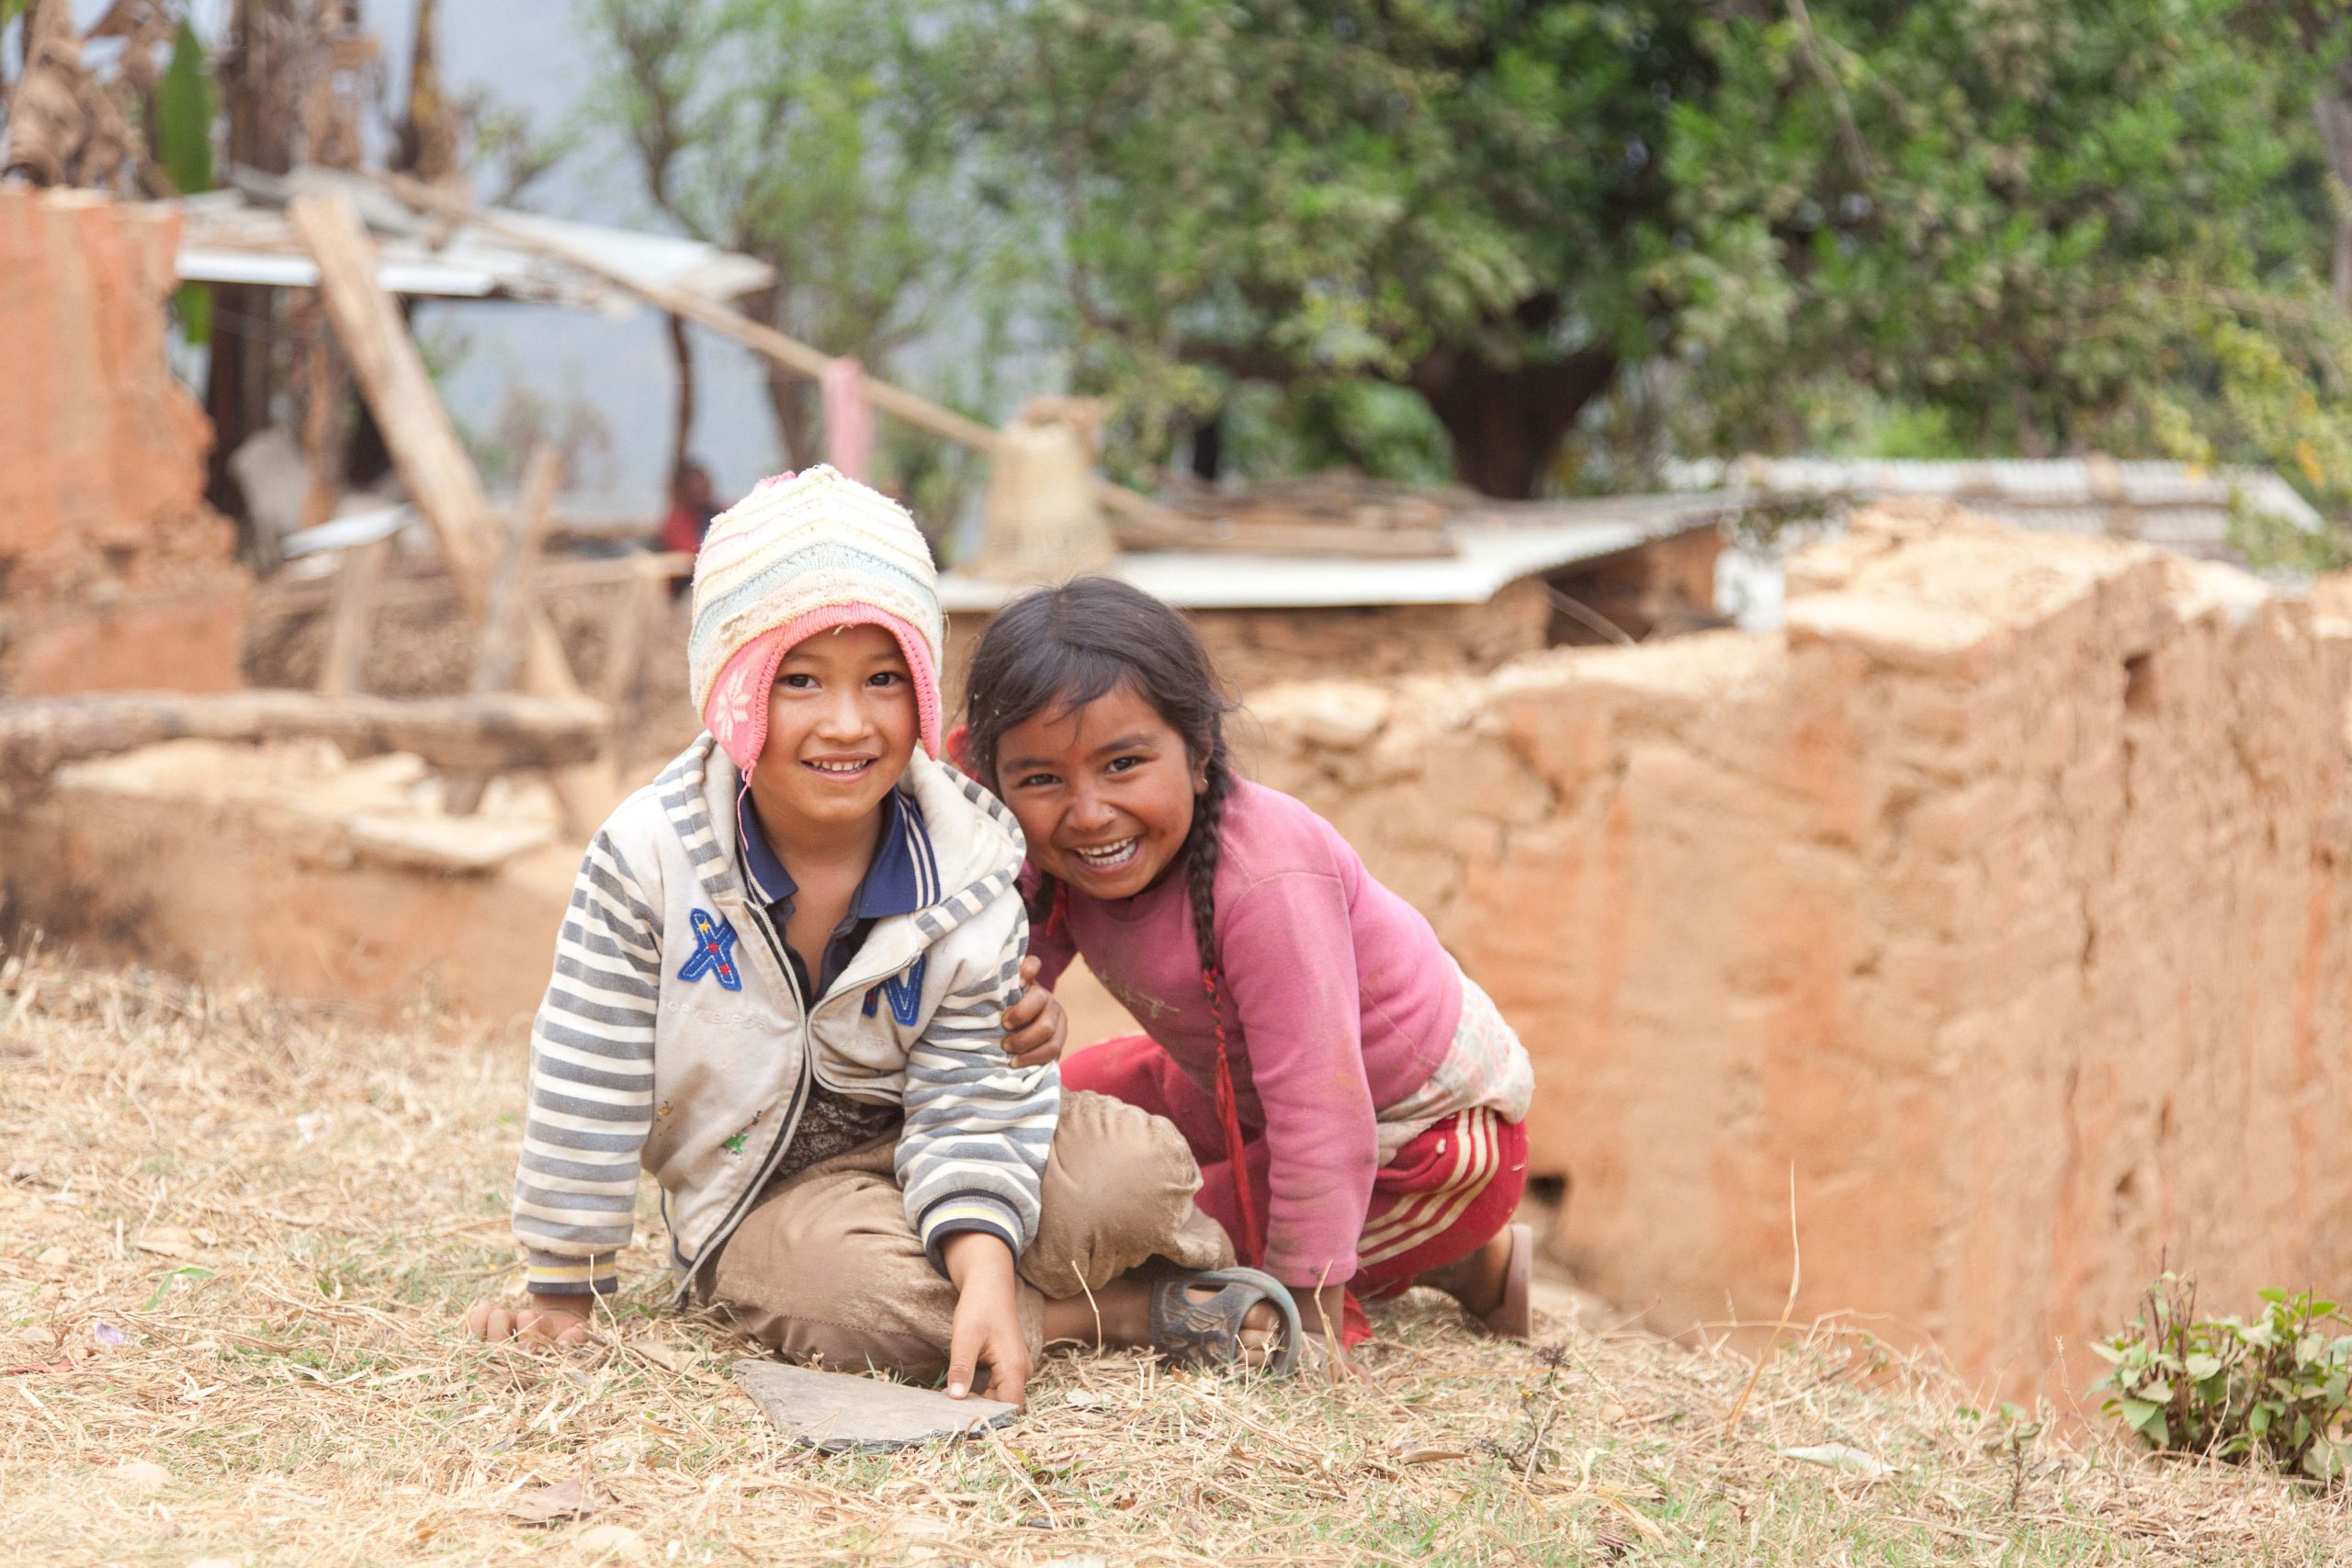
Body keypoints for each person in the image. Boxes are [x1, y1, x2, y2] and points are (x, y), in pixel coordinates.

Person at [467, 468, 1301, 1401]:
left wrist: (983, 1262)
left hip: (942, 1152)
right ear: (730, 688)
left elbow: (971, 1090)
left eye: (883, 678)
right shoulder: (650, 857)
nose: (847, 723)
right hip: (772, 1198)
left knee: (1135, 1172)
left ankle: (993, 1300)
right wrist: (563, 1289)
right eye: (798, 681)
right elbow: (590, 1071)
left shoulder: (968, 855)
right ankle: (1119, 1313)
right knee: (855, 1299)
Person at [958, 576, 1539, 1362]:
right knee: (1063, 1122)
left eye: (1123, 763)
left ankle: (1462, 1249)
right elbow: (1006, 975)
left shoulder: (1266, 882)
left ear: (1199, 752)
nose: (1088, 811)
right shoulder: (1054, 848)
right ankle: (1460, 1265)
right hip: (1236, 1087)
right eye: (1040, 778)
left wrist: (1307, 1310)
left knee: (1141, 1232)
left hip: (1420, 1139)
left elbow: (1324, 1114)